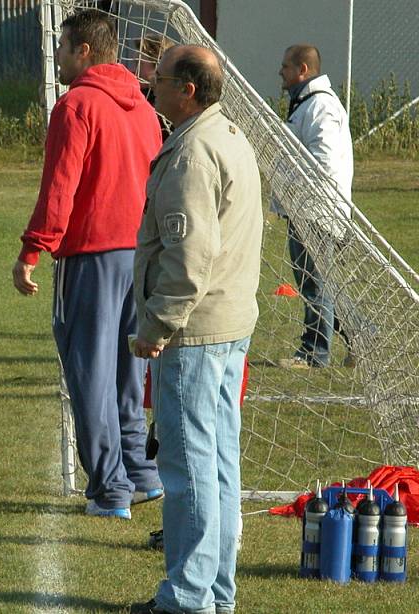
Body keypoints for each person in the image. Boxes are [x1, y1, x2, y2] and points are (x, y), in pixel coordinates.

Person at [12, 9, 163, 520]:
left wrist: (33, 248)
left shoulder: (76, 105)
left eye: (61, 45)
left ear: (82, 51)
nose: (56, 54)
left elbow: (60, 187)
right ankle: (141, 473)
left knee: (90, 372)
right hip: (139, 256)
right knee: (128, 368)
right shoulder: (143, 106)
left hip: (92, 256)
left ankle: (109, 489)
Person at [130, 45, 262, 614]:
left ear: (186, 89)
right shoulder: (227, 135)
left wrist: (156, 325)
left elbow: (188, 259)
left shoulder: (193, 153)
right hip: (227, 325)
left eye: (157, 79)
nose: (149, 85)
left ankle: (187, 599)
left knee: (186, 468)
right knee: (219, 462)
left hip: (196, 334)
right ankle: (214, 593)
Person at [274, 44, 354, 369]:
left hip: (316, 211)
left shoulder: (321, 105)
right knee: (320, 282)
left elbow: (324, 159)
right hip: (305, 209)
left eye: (286, 66)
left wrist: (298, 195)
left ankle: (313, 353)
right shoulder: (306, 104)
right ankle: (363, 337)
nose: (281, 72)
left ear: (303, 70)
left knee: (314, 282)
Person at [136, 34, 175, 140]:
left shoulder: (169, 102)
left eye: (139, 63)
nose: (135, 70)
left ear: (158, 66)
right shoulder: (138, 93)